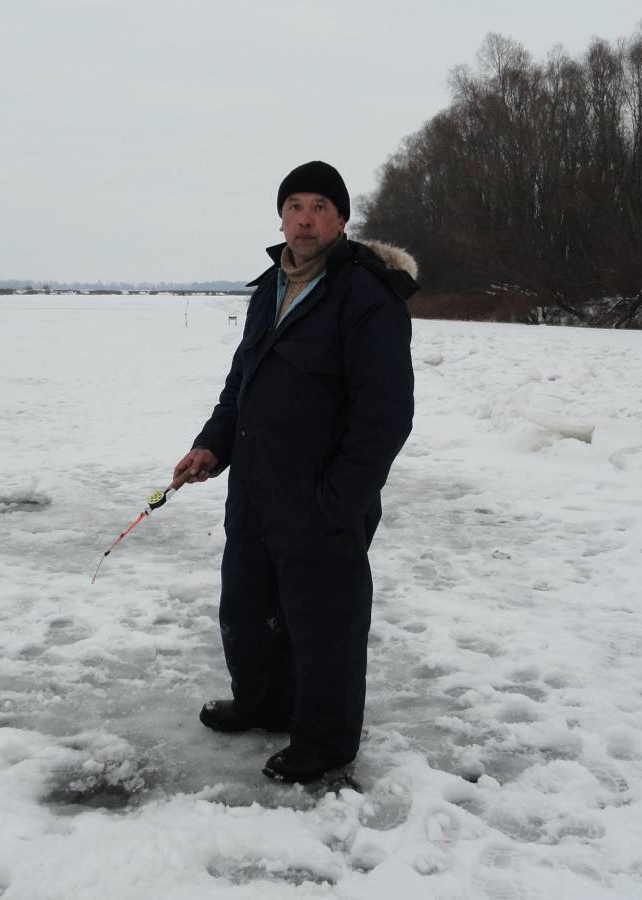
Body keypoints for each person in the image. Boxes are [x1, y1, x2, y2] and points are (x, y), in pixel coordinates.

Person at [171, 160, 417, 783]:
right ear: (281, 218)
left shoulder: (367, 295)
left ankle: (326, 741)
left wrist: (338, 500)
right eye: (295, 207)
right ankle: (264, 703)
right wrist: (210, 447)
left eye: (319, 208)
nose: (305, 219)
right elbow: (242, 384)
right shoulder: (269, 289)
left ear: (342, 220)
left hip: (321, 497)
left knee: (324, 622)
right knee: (247, 607)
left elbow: (385, 415)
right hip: (255, 488)